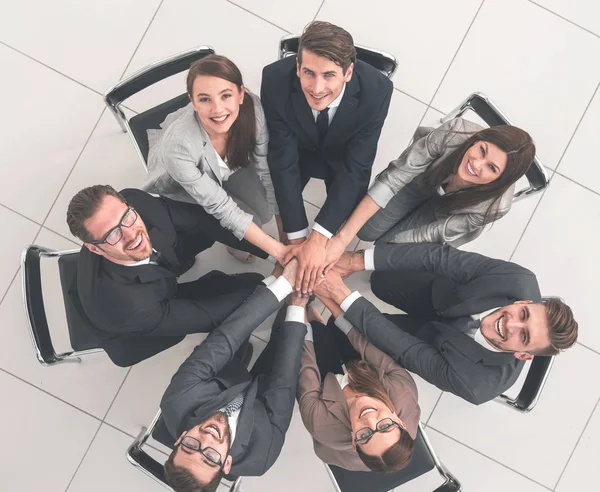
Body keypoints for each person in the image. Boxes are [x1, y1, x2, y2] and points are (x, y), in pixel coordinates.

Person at [316, 242, 578, 405]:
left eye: (524, 337)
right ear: (524, 302)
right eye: (524, 315)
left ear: (523, 355)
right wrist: (354, 261)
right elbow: (439, 258)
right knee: (383, 280)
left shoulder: (476, 384)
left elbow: (406, 349)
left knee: (349, 335)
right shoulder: (518, 279)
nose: (511, 325)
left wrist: (341, 296)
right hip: (441, 294)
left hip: (429, 344)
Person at [299, 118, 536, 294]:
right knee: (366, 230)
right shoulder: (455, 133)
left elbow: (434, 233)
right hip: (421, 180)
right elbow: (394, 179)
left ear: (500, 180)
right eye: (481, 150)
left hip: (442, 214)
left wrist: (357, 260)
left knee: (388, 246)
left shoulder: (494, 206)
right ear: (476, 140)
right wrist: (341, 239)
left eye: (491, 168)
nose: (476, 164)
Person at [66, 185, 263, 367]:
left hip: (136, 288)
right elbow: (207, 315)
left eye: (126, 217)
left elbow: (203, 220)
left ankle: (180, 275)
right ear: (94, 248)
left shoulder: (136, 201)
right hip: (128, 328)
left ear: (127, 205)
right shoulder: (128, 307)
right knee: (250, 294)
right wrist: (275, 286)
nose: (131, 234)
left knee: (199, 230)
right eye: (112, 235)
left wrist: (275, 251)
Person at [160, 259, 308, 492]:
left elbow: (226, 337)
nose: (205, 438)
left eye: (189, 446)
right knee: (286, 341)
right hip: (264, 393)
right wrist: (298, 303)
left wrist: (284, 282)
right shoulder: (262, 454)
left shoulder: (177, 400)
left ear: (178, 439)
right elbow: (285, 380)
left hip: (222, 372)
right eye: (210, 457)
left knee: (235, 332)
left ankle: (273, 282)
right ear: (226, 464)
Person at [261, 21, 393, 287]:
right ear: (297, 66)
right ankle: (293, 263)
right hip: (297, 148)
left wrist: (319, 239)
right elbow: (282, 159)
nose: (317, 88)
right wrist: (299, 242)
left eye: (329, 75)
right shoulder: (274, 79)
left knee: (344, 211)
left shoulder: (377, 91)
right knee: (270, 196)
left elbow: (357, 168)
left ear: (348, 72)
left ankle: (310, 273)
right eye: (308, 72)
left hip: (342, 156)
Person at [144, 54, 285, 263]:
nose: (218, 109)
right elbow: (219, 205)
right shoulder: (178, 147)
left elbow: (267, 171)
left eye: (225, 95)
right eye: (204, 99)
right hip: (182, 184)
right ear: (192, 102)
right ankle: (231, 245)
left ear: (241, 94)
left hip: (230, 164)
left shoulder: (253, 109)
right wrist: (280, 253)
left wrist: (287, 238)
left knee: (264, 209)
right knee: (248, 221)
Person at [297, 299, 419, 472]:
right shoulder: (403, 390)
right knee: (339, 326)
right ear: (399, 421)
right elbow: (366, 344)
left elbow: (305, 365)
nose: (369, 420)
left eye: (365, 436)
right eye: (385, 426)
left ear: (354, 441)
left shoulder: (320, 423)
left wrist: (298, 303)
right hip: (369, 375)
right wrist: (326, 296)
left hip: (329, 391)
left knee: (318, 335)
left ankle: (313, 315)